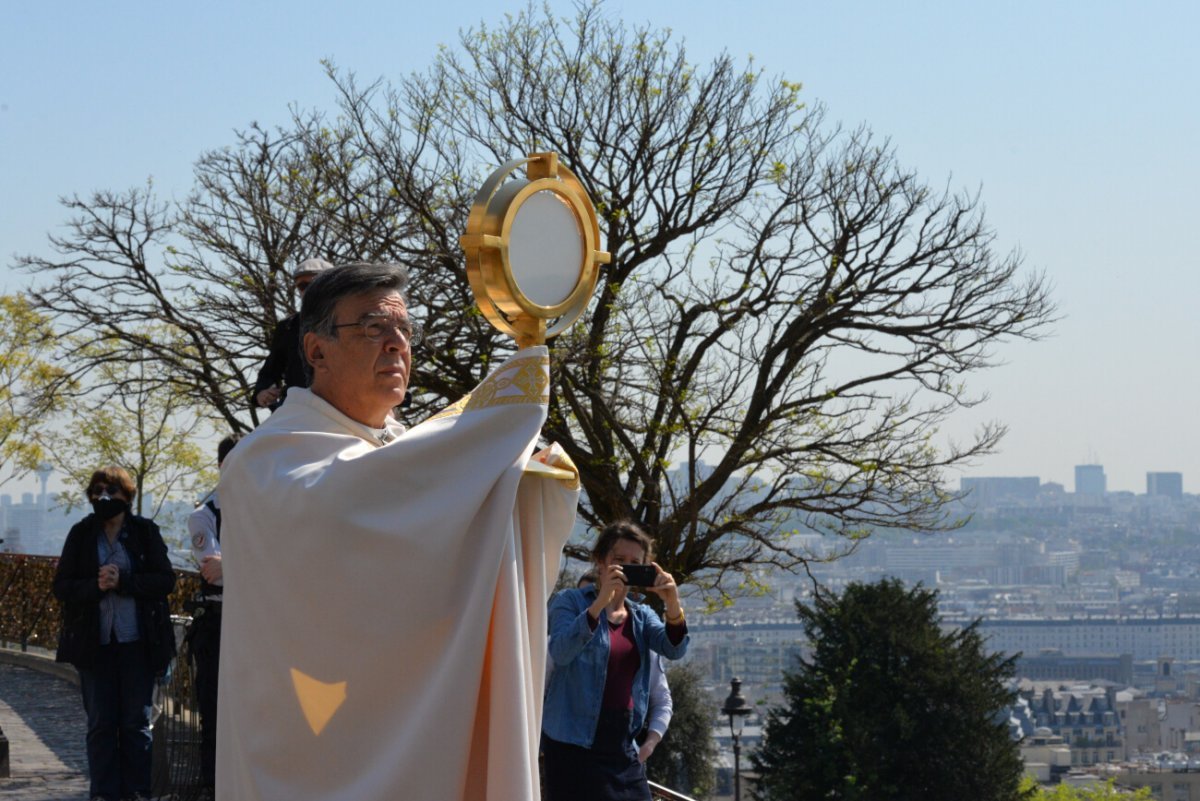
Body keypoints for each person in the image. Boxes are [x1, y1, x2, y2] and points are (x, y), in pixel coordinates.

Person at [216, 262, 581, 801]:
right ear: (315, 351)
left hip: (411, 730)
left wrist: (517, 484)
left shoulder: (405, 452)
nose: (396, 345)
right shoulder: (263, 461)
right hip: (308, 747)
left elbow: (410, 507)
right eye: (372, 328)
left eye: (404, 330)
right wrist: (502, 423)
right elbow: (348, 506)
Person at [52, 466, 176, 801]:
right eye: (97, 491)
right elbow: (62, 586)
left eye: (111, 491)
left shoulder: (144, 532)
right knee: (101, 725)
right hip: (95, 646)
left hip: (138, 644)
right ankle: (104, 794)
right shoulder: (81, 534)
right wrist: (95, 585)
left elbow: (165, 580)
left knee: (136, 725)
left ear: (127, 496)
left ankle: (137, 792)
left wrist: (125, 582)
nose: (103, 498)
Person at [542, 521, 689, 801]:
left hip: (622, 746)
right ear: (600, 561)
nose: (625, 568)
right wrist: (599, 604)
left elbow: (675, 649)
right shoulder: (569, 602)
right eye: (618, 560)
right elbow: (560, 652)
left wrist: (672, 603)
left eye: (634, 563)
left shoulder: (642, 617)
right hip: (573, 745)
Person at [571, 571, 673, 765]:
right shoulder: (563, 643)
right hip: (574, 757)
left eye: (595, 598)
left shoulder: (639, 640)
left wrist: (648, 746)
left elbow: (662, 699)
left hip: (624, 754)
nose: (590, 606)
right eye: (583, 599)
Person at [186, 433, 241, 796]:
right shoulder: (204, 515)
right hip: (219, 625)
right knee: (215, 712)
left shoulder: (265, 507)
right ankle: (213, 787)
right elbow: (211, 570)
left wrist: (233, 566)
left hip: (255, 623)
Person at [252, 256, 332, 411]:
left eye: (314, 284)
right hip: (298, 411)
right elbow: (271, 370)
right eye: (303, 286)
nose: (308, 290)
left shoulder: (355, 323)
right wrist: (262, 392)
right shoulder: (288, 327)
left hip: (344, 411)